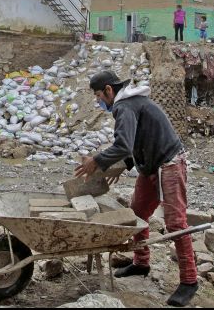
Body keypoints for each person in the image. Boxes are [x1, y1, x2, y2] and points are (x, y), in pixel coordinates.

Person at [75, 71, 198, 307]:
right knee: (137, 213)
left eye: (99, 96)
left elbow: (123, 144)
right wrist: (124, 165)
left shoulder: (124, 107)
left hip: (169, 162)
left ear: (109, 90)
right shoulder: (130, 103)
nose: (99, 101)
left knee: (175, 223)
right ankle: (141, 263)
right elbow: (139, 139)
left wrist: (97, 161)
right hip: (150, 165)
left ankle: (190, 281)